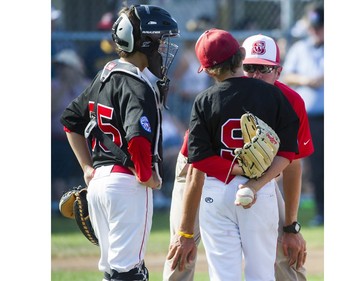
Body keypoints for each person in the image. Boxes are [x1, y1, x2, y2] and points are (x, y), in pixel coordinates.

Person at [165, 28, 302, 281]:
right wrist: (253, 178)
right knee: (261, 274)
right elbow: (288, 154)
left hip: (215, 192)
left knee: (223, 274)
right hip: (260, 193)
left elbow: (199, 163)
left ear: (206, 70)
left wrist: (234, 169)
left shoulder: (204, 100)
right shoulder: (274, 95)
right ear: (240, 55)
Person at [59, 5, 179, 281]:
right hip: (127, 184)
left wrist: (87, 169)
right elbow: (137, 136)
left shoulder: (104, 77)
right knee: (129, 273)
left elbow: (70, 122)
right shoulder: (137, 85)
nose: (163, 47)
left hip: (100, 181)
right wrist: (146, 175)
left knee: (114, 271)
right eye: (160, 40)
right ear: (144, 42)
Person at [242, 33, 314, 280]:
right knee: (180, 250)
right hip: (203, 174)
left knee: (289, 255)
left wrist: (291, 226)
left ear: (278, 71)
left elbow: (293, 165)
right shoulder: (223, 95)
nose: (255, 75)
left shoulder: (291, 101)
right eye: (249, 67)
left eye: (264, 69)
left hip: (263, 179)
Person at [282, 4, 324, 226]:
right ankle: (322, 211)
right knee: (316, 167)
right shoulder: (301, 48)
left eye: (321, 27)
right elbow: (286, 75)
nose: (316, 31)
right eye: (314, 27)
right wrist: (307, 81)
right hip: (313, 117)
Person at [51, 49, 91, 212]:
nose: (62, 70)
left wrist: (76, 82)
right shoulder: (53, 86)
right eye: (60, 67)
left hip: (84, 139)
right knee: (59, 167)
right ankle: (64, 208)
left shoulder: (88, 85)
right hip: (58, 139)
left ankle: (84, 206)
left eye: (66, 67)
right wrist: (65, 86)